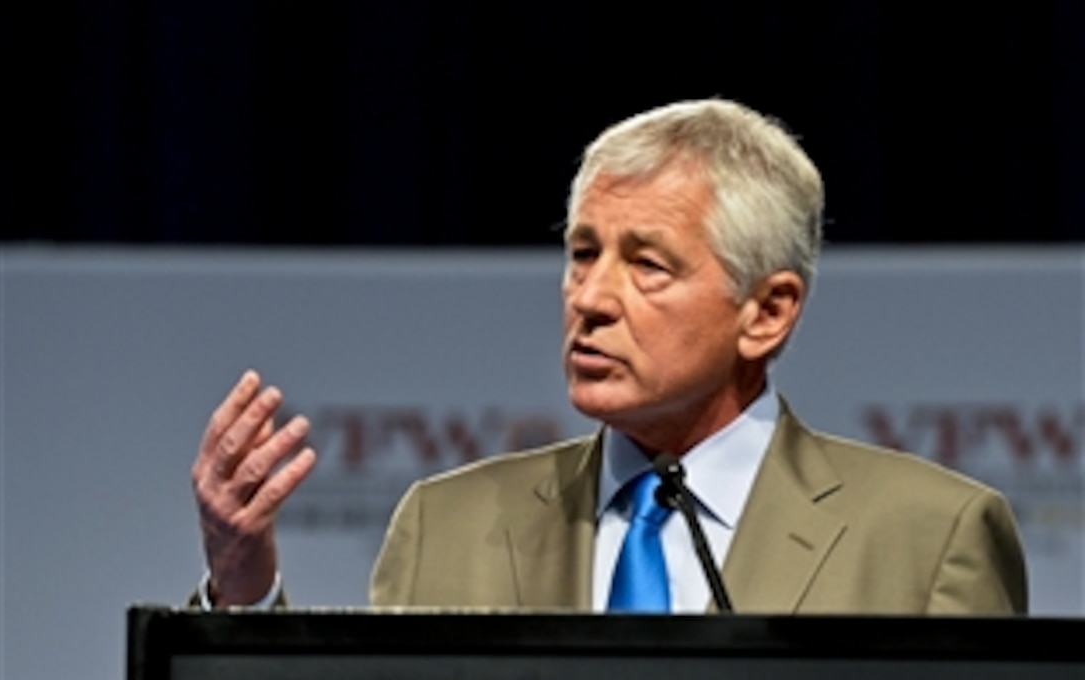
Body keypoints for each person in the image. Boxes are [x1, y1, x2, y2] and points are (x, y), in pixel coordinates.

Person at [191, 99, 1027, 614]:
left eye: (647, 264)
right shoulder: (445, 527)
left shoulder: (929, 539)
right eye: (582, 252)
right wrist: (244, 588)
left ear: (766, 312)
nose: (590, 297)